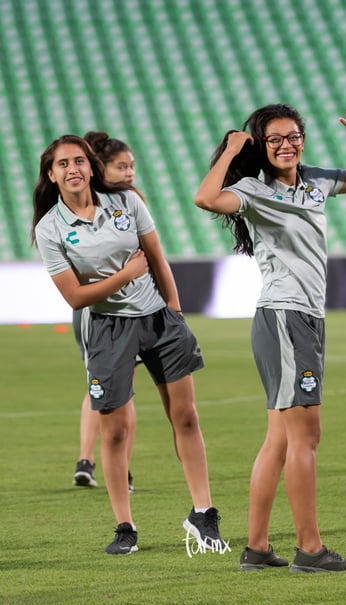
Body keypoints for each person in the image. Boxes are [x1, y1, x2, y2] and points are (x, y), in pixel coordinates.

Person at [194, 104, 346, 572]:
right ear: (261, 146)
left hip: (301, 319)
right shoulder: (253, 190)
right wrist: (230, 149)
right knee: (306, 436)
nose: (287, 144)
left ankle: (258, 548)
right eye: (275, 139)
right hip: (285, 318)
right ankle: (310, 548)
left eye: (294, 135)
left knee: (280, 441)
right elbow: (205, 198)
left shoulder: (316, 182)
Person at [32, 134, 226, 555]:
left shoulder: (126, 203)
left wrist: (173, 309)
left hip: (157, 318)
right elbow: (76, 297)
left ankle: (203, 513)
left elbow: (156, 256)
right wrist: (126, 274)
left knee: (186, 416)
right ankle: (125, 526)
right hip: (105, 327)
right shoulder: (50, 229)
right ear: (51, 174)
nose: (73, 169)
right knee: (115, 431)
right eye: (63, 164)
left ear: (91, 166)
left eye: (79, 161)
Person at [72, 132, 142, 491]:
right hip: (100, 309)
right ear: (102, 168)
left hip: (132, 308)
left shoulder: (130, 201)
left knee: (109, 385)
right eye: (121, 166)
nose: (129, 172)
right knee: (109, 386)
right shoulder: (84, 205)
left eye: (132, 166)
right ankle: (101, 463)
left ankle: (98, 463)